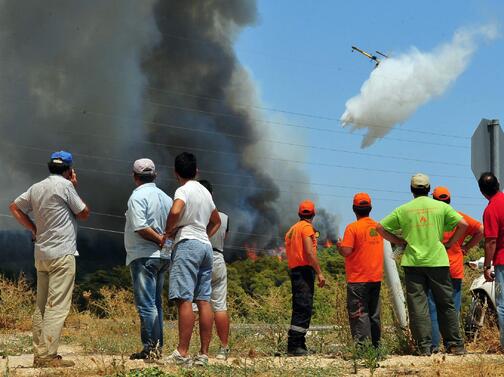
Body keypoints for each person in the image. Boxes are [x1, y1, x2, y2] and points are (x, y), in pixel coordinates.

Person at [9, 151, 89, 368]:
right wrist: (73, 185)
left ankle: (39, 353)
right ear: (68, 170)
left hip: (41, 254)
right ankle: (47, 356)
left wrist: (34, 228)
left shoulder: (36, 187)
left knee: (42, 306)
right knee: (58, 306)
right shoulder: (65, 186)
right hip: (62, 253)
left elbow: (14, 207)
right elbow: (83, 213)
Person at [376, 173, 468, 356]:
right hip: (438, 261)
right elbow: (463, 224)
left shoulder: (403, 210)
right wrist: (450, 243)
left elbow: (379, 227)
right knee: (446, 303)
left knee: (418, 305)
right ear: (428, 189)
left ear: (411, 190)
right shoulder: (441, 207)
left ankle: (424, 347)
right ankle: (455, 345)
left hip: (413, 262)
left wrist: (400, 241)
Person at [162, 152, 221, 367]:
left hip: (187, 243)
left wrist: (169, 230)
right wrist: (204, 234)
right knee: (203, 300)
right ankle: (204, 354)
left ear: (176, 173)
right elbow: (216, 221)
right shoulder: (205, 192)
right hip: (205, 246)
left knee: (184, 299)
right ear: (197, 171)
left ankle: (182, 352)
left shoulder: (183, 189)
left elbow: (176, 209)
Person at [125, 158, 173, 361]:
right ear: (155, 175)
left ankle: (150, 349)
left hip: (144, 255)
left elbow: (141, 227)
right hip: (163, 257)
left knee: (146, 305)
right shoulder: (167, 198)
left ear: (135, 177)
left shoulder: (137, 197)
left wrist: (159, 239)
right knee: (156, 304)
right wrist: (166, 242)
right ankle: (157, 348)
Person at [428, 186, 483, 352]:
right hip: (455, 268)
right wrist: (465, 247)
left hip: (435, 267)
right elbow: (480, 230)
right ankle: (453, 344)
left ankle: (434, 345)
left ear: (435, 201)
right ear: (449, 201)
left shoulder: (431, 219)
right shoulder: (459, 217)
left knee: (433, 306)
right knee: (452, 308)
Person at [338, 193, 384, 348]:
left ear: (354, 209)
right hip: (375, 278)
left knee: (359, 314)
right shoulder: (378, 227)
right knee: (374, 314)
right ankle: (376, 347)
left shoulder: (352, 228)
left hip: (358, 279)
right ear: (370, 208)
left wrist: (339, 246)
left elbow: (346, 251)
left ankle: (363, 349)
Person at [192, 179, 230, 360]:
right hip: (218, 258)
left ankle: (197, 349)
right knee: (220, 306)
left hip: (199, 258)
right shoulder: (224, 218)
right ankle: (223, 348)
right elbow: (224, 238)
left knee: (195, 305)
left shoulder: (194, 215)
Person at [284, 200, 325, 356]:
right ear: (313, 214)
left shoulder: (291, 230)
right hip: (304, 272)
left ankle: (299, 344)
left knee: (299, 307)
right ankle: (294, 346)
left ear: (299, 214)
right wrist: (319, 272)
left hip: (295, 271)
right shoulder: (307, 228)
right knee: (304, 308)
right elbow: (309, 252)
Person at [478, 172, 504, 349]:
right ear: (498, 183)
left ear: (482, 191)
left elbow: (491, 241)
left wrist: (487, 266)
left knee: (502, 304)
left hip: (502, 259)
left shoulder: (491, 209)